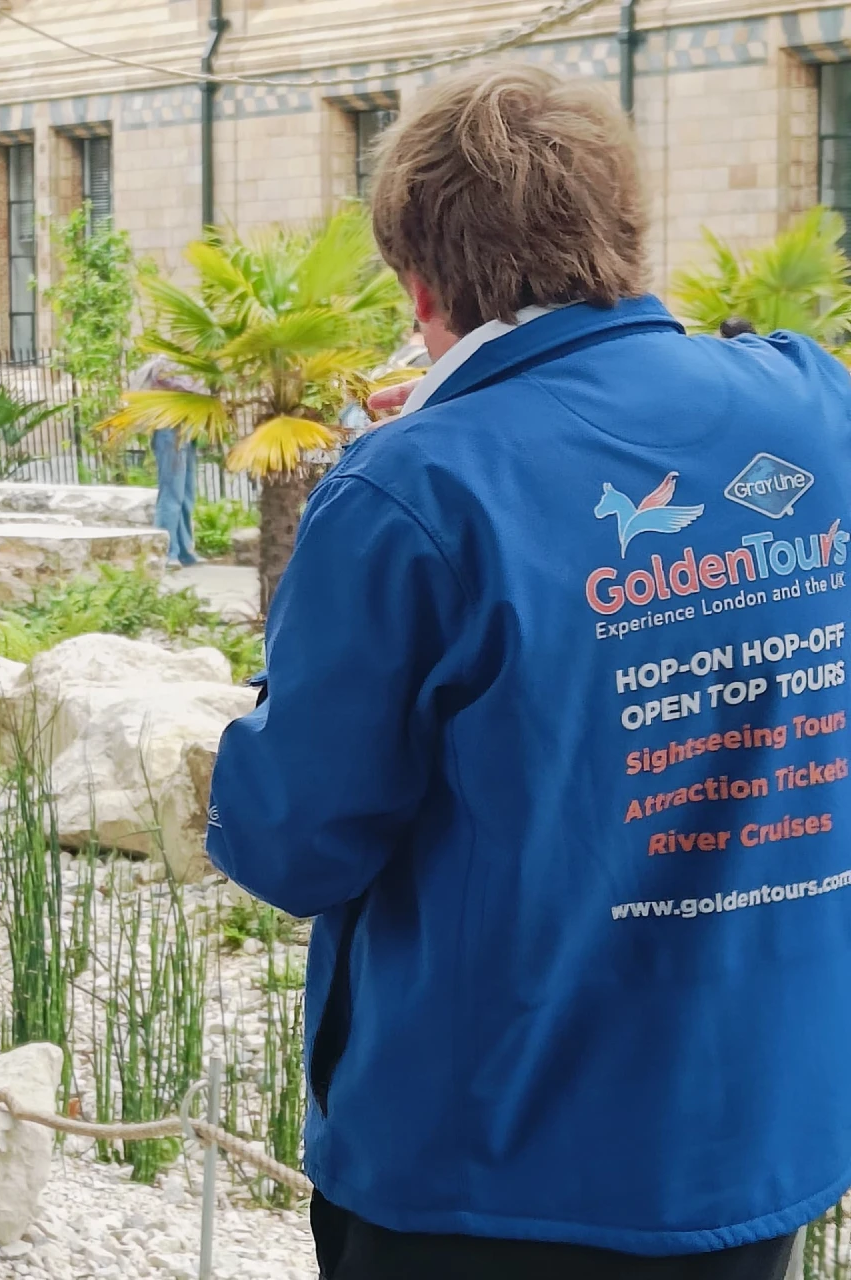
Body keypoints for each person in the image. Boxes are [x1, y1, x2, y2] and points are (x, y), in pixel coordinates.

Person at [207, 64, 851, 1279]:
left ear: (419, 283)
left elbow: (293, 842)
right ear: (624, 231)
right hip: (750, 1139)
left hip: (486, 1170)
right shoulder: (814, 411)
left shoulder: (412, 488)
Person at [130, 354, 205, 567]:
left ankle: (184, 550)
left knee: (187, 493)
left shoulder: (192, 363)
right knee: (171, 493)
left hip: (187, 427)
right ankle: (165, 551)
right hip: (169, 428)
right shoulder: (166, 363)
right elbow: (186, 388)